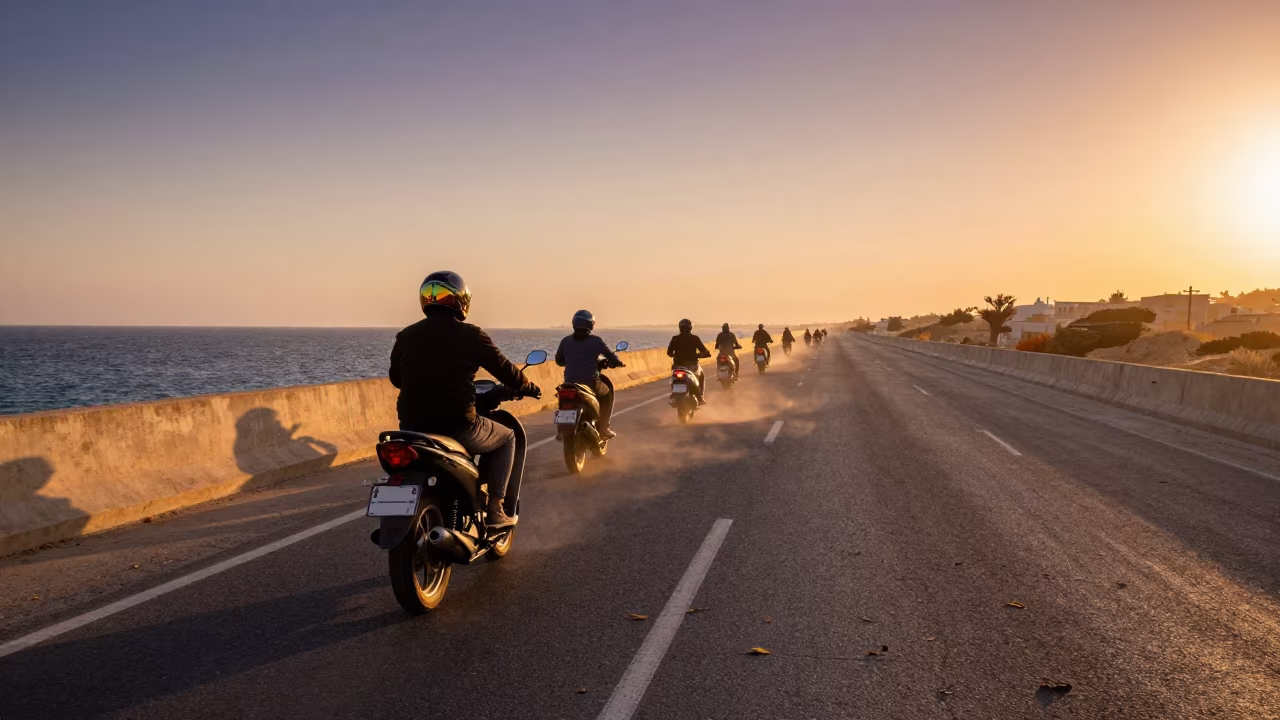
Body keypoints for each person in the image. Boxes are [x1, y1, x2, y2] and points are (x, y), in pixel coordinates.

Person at [389, 271, 540, 528]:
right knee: (507, 437)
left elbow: (396, 379)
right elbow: (505, 369)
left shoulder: (406, 336)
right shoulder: (471, 335)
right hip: (457, 426)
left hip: (412, 428)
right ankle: (495, 510)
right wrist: (528, 386)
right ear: (462, 301)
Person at [555, 309, 624, 439]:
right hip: (590, 382)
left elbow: (559, 360)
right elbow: (611, 357)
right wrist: (618, 362)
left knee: (563, 396)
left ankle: (561, 428)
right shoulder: (596, 341)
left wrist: (570, 361)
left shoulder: (566, 341)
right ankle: (604, 428)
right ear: (590, 324)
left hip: (569, 383)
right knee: (608, 391)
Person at [667, 318, 712, 404]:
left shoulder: (675, 339)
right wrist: (702, 355)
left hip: (677, 366)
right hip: (692, 366)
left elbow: (669, 353)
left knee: (674, 378)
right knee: (701, 376)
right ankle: (700, 397)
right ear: (690, 327)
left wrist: (676, 355)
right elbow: (704, 351)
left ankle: (674, 394)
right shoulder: (694, 338)